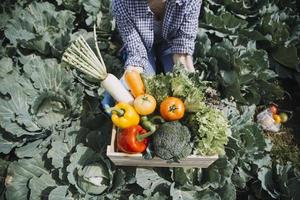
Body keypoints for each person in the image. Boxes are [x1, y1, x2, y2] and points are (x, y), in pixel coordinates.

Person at [102, 0, 202, 108]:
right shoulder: (121, 2)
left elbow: (182, 47)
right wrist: (133, 73)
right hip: (141, 44)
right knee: (145, 87)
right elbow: (136, 49)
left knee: (182, 86)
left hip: (171, 43)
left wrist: (191, 83)